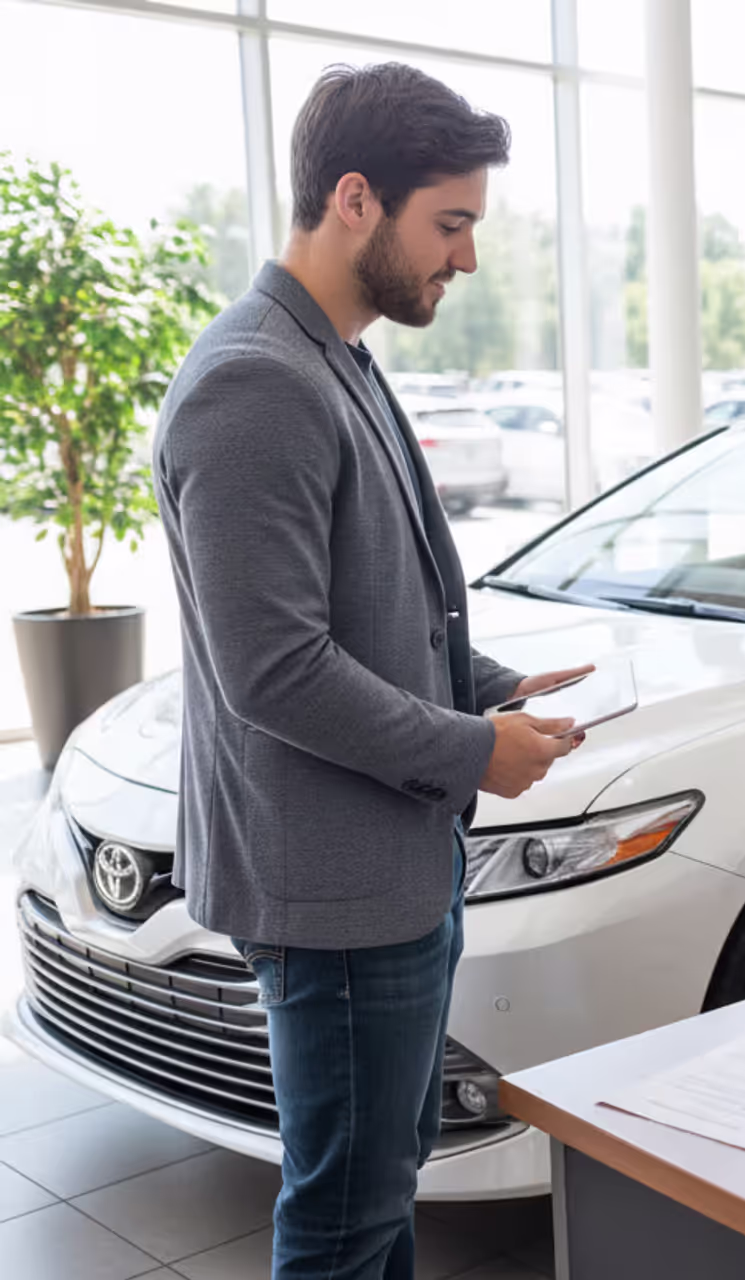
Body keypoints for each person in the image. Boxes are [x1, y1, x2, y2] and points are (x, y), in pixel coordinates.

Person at [154, 64, 589, 1279]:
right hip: (335, 887)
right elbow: (275, 669)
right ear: (356, 198)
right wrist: (469, 751)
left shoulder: (332, 353)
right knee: (345, 1220)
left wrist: (481, 680)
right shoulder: (256, 382)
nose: (463, 257)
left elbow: (357, 603)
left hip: (389, 865)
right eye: (449, 223)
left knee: (379, 1189)